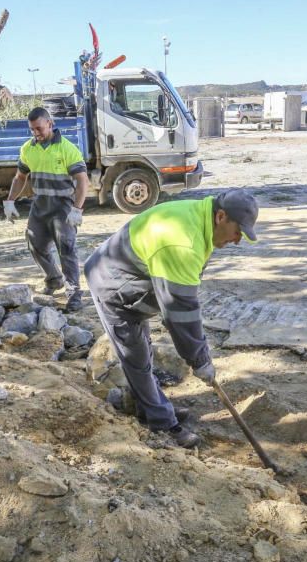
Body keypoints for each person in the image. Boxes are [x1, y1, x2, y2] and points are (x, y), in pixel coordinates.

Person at [84, 189, 260, 448]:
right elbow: (181, 313)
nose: (237, 241)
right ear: (221, 216)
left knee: (141, 351)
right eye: (237, 232)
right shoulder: (182, 242)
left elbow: (181, 301)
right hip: (111, 284)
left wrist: (198, 354)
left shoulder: (200, 219)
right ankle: (162, 424)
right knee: (135, 354)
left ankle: (148, 405)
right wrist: (199, 360)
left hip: (133, 278)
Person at [7, 107, 90, 312]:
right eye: (32, 129)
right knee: (35, 244)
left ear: (50, 124)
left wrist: (77, 209)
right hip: (40, 204)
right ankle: (54, 280)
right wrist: (9, 201)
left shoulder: (67, 149)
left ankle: (74, 294)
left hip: (62, 206)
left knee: (67, 248)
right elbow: (20, 177)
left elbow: (82, 181)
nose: (36, 133)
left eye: (39, 128)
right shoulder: (28, 148)